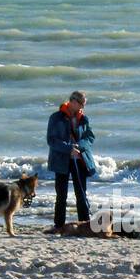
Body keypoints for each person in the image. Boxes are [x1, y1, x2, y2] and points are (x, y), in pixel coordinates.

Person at [46, 90, 96, 230]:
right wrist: (69, 149)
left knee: (81, 192)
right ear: (73, 101)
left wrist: (79, 148)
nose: (83, 108)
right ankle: (59, 225)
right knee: (61, 194)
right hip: (61, 160)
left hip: (79, 159)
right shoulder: (56, 117)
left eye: (84, 105)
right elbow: (52, 140)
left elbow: (90, 137)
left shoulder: (83, 118)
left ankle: (85, 224)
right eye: (81, 104)